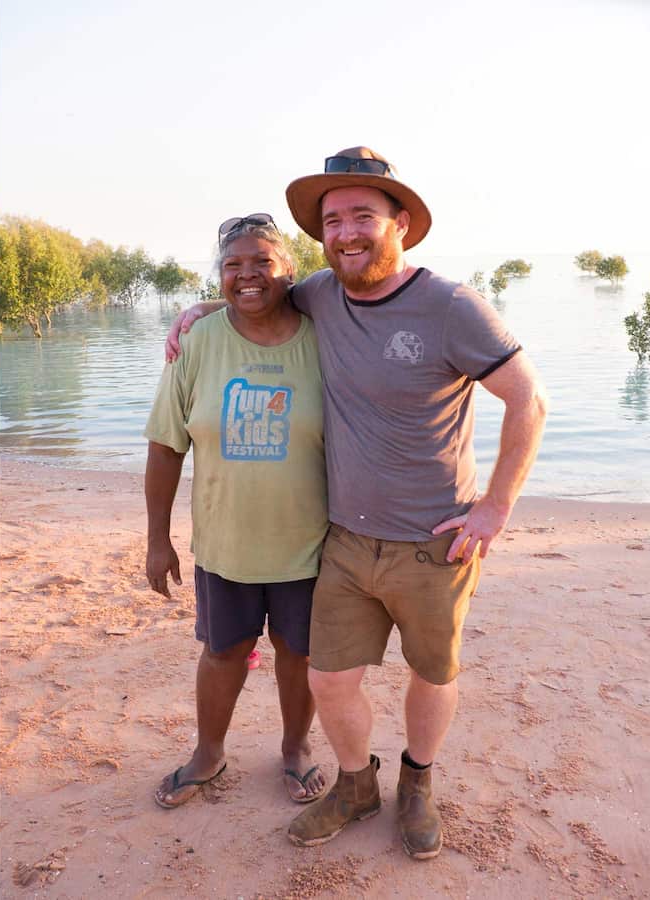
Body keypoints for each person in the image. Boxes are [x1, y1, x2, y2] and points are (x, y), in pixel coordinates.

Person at [165, 148, 548, 859]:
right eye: (333, 219)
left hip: (435, 541)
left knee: (433, 674)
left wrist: (494, 508)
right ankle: (353, 782)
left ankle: (419, 783)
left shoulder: (451, 305)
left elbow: (528, 399)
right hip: (341, 541)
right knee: (328, 677)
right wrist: (201, 309)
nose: (346, 232)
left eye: (362, 215)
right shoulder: (320, 294)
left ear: (399, 222)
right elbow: (258, 292)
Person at [145, 215, 329, 808]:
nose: (247, 275)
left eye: (262, 263)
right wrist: (157, 539)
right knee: (222, 652)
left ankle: (296, 748)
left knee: (298, 655)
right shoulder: (197, 343)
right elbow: (166, 444)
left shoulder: (324, 337)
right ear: (220, 275)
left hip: (311, 543)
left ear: (289, 269)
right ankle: (209, 754)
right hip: (226, 544)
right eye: (233, 265)